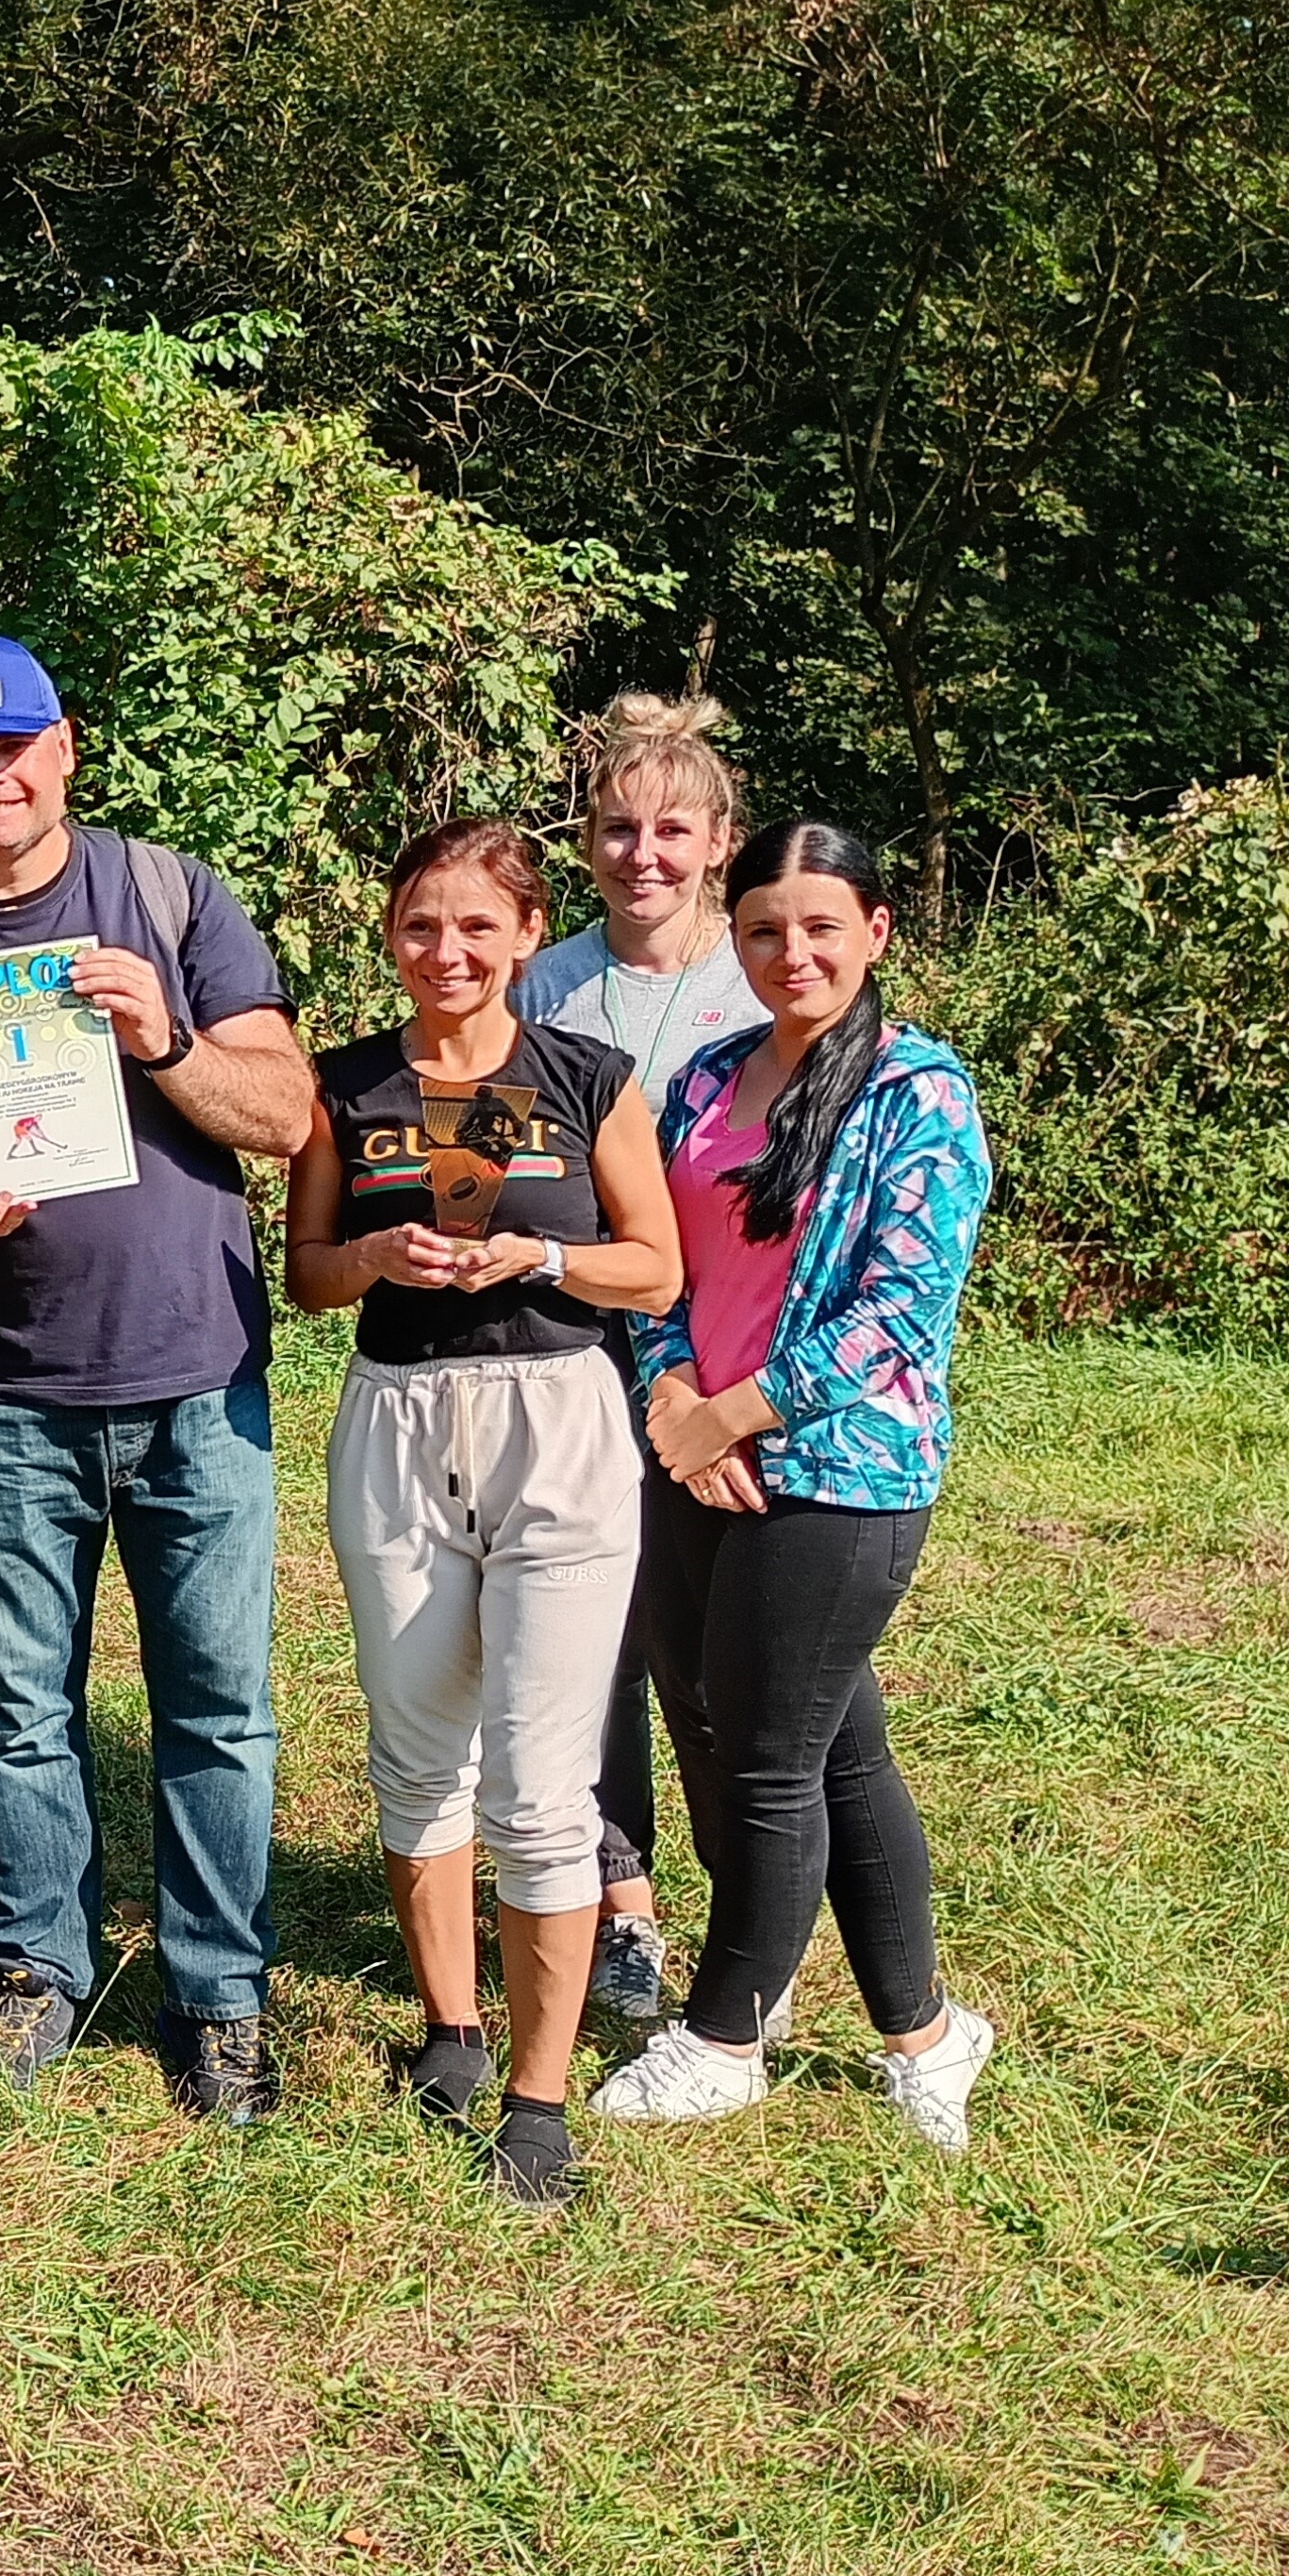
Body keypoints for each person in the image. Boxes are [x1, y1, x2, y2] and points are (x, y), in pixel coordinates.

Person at [0, 635, 313, 2113]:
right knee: (22, 1704)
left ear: (65, 750)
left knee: (217, 1700)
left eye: (11, 748)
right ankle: (44, 1968)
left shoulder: (171, 898)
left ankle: (218, 1993)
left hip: (193, 1374)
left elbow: (283, 1112)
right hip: (6, 1387)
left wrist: (163, 1040)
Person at [285, 821, 685, 2208]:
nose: (444, 953)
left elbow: (654, 1267)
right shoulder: (346, 1085)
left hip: (559, 1418)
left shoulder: (588, 1078)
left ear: (526, 935)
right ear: (390, 936)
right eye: (417, 927)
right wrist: (377, 1252)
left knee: (539, 1783)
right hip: (396, 1420)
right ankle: (450, 2033)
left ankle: (537, 2094)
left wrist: (544, 1252)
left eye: (474, 928)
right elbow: (311, 1278)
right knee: (414, 1753)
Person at [588, 820, 1000, 2152]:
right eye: (765, 928)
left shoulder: (917, 1095)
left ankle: (723, 2036)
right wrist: (670, 1400)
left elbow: (900, 1313)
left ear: (876, 932)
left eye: (822, 925)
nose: (792, 952)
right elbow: (651, 1258)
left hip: (835, 1477)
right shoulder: (708, 1077)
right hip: (691, 1458)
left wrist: (734, 1417)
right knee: (825, 1748)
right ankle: (928, 2034)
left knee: (769, 1758)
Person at [511, 691, 766, 2025]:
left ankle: (752, 1915)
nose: (643, 854)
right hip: (572, 1353)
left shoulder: (761, 978)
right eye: (618, 828)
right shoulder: (547, 987)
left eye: (674, 829)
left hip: (723, 1368)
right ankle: (624, 1908)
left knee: (714, 1658)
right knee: (590, 1647)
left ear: (721, 842)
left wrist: (727, 1390)